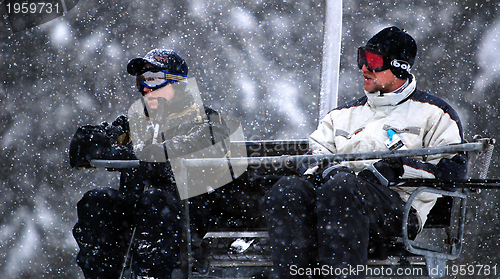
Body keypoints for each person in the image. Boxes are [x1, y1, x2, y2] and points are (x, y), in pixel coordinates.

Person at [260, 26, 468, 278]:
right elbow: (314, 154)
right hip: (334, 208)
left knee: (343, 188)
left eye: (373, 61)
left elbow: (451, 171)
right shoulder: (342, 115)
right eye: (361, 58)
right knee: (288, 190)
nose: (363, 68)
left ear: (399, 66)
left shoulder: (433, 114)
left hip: (397, 212)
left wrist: (396, 168)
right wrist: (327, 169)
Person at [70, 49, 231, 279]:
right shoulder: (134, 123)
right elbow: (84, 145)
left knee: (156, 202)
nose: (146, 89)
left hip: (184, 219)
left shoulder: (205, 121)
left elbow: (199, 147)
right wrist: (108, 148)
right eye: (141, 81)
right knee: (97, 202)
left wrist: (150, 156)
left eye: (154, 80)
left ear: (178, 84)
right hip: (136, 214)